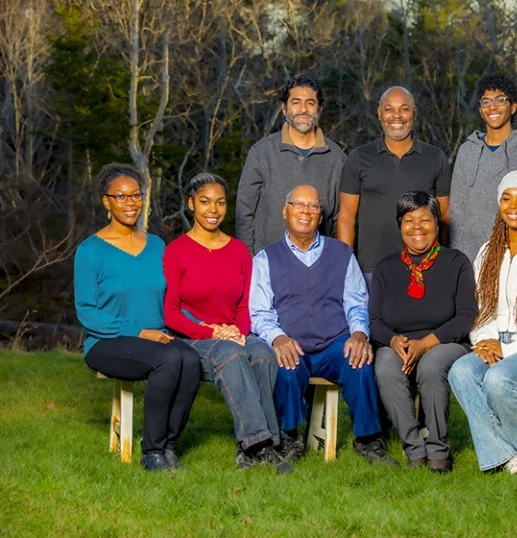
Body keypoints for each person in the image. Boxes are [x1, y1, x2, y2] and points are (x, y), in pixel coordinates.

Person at [249, 184, 397, 465]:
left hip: (334, 342)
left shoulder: (341, 254)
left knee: (359, 360)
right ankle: (289, 436)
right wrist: (278, 338)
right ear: (285, 211)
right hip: (292, 342)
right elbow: (260, 312)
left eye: (313, 206)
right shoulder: (266, 258)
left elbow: (356, 302)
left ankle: (368, 440)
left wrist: (358, 333)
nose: (306, 211)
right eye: (298, 204)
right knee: (287, 366)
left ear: (320, 215)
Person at [74, 163, 201, 471]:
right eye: (121, 196)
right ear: (106, 201)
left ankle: (169, 445)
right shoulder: (90, 251)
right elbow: (87, 312)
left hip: (158, 336)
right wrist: (139, 331)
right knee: (169, 360)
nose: (130, 203)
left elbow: (172, 300)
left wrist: (203, 327)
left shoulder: (156, 245)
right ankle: (152, 452)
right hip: (107, 342)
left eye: (136, 195)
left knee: (191, 359)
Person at [163, 172, 292, 474]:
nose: (213, 210)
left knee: (262, 353)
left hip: (234, 334)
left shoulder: (238, 251)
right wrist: (211, 332)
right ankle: (259, 446)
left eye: (220, 202)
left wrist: (239, 331)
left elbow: (246, 303)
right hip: (193, 337)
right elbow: (171, 313)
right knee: (231, 356)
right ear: (191, 204)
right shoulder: (176, 251)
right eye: (205, 202)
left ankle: (259, 448)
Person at [448, 171, 517, 475]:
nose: (514, 205)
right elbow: (481, 306)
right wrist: (483, 340)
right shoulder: (489, 251)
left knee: (499, 379)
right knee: (460, 371)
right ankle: (510, 455)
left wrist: (508, 349)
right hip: (492, 339)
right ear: (499, 204)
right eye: (507, 198)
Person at [370, 191, 478, 473]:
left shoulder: (457, 262)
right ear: (400, 225)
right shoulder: (385, 268)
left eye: (424, 219)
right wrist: (393, 340)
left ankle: (438, 448)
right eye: (408, 220)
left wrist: (426, 343)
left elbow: (466, 317)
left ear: (436, 224)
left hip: (445, 341)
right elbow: (374, 321)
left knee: (431, 365)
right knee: (384, 365)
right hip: (399, 344)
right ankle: (414, 448)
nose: (416, 227)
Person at [338, 86, 451, 285]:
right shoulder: (359, 157)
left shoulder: (436, 158)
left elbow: (444, 217)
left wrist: (441, 263)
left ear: (414, 113)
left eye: (404, 109)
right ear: (379, 113)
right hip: (370, 271)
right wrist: (346, 266)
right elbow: (346, 216)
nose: (396, 116)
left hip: (422, 269)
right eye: (389, 109)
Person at [236, 74, 346, 256]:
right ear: (284, 109)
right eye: (296, 102)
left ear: (319, 109)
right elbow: (244, 213)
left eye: (310, 103)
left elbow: (339, 218)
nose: (303, 109)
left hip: (319, 265)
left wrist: (336, 261)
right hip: (268, 265)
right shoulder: (262, 153)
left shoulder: (337, 158)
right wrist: (249, 262)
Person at [449, 73, 517, 261]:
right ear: (481, 110)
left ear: (513, 107)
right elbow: (456, 211)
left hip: (515, 259)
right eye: (486, 102)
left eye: (500, 100)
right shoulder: (467, 150)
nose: (493, 107)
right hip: (467, 259)